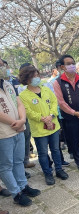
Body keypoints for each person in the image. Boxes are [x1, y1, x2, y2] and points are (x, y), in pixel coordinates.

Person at [19, 66, 69, 185]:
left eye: (37, 75)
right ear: (27, 79)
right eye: (33, 76)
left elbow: (54, 102)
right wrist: (43, 119)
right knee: (42, 153)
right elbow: (28, 112)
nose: (36, 78)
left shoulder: (46, 89)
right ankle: (47, 173)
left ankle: (59, 169)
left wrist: (51, 116)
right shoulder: (23, 95)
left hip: (53, 125)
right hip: (39, 129)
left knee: (56, 150)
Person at [0, 63, 41, 206]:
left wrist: (22, 120)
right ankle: (16, 193)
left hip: (18, 128)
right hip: (3, 134)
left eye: (2, 64)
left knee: (18, 161)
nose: (3, 68)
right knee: (6, 165)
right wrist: (14, 122)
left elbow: (19, 104)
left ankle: (23, 186)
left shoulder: (7, 84)